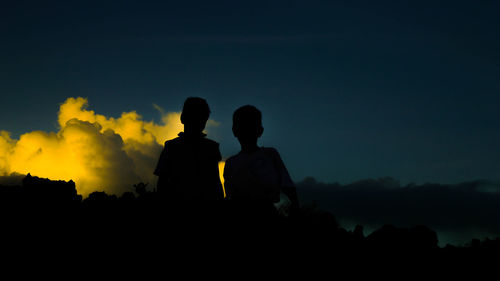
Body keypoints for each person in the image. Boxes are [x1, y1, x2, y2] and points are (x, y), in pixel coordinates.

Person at [223, 105, 299, 217]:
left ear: (260, 130)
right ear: (235, 131)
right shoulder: (231, 163)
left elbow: (287, 185)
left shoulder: (270, 155)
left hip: (266, 213)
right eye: (243, 126)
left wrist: (296, 208)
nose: (247, 130)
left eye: (250, 125)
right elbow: (230, 195)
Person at [153, 97, 224, 203]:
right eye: (194, 117)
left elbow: (215, 181)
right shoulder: (172, 146)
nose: (197, 121)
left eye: (201, 118)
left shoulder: (211, 147)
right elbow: (162, 182)